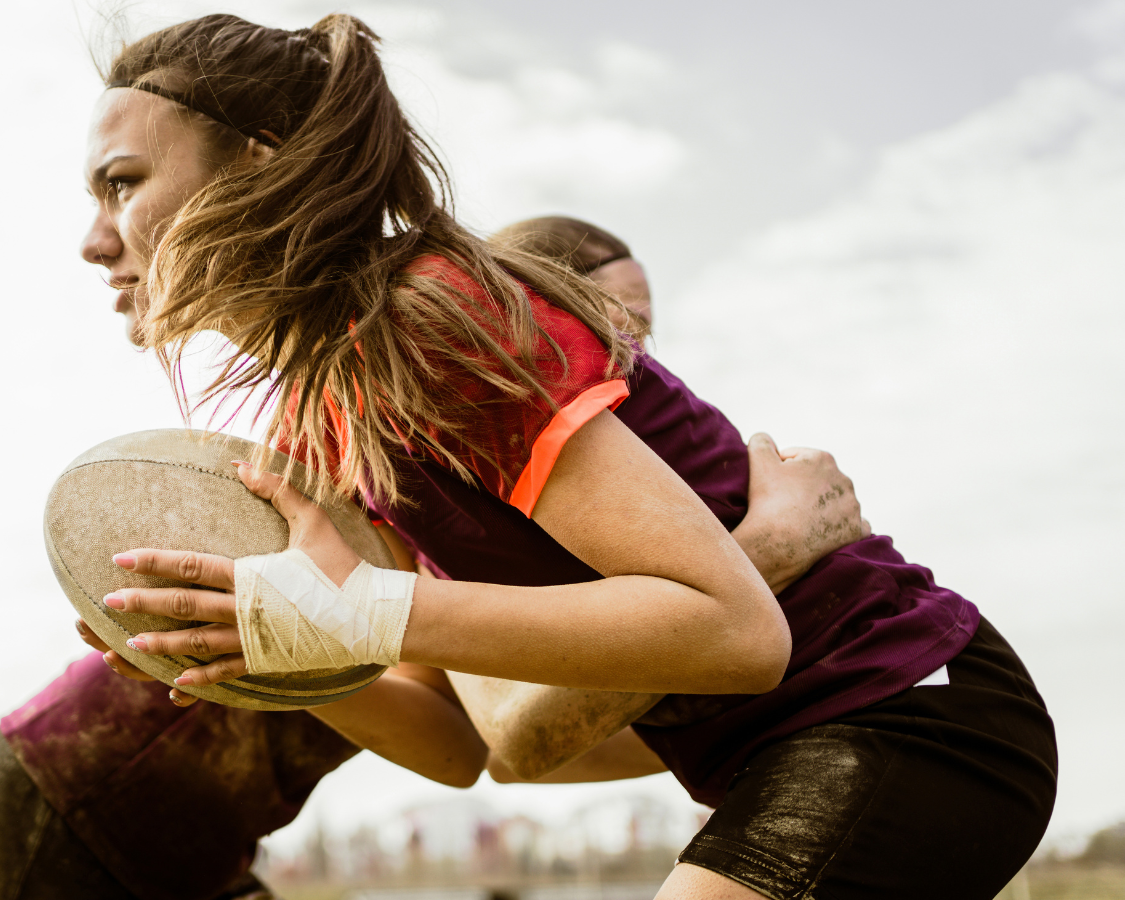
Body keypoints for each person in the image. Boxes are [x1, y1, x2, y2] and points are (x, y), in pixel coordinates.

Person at [61, 13, 1055, 900]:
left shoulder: (421, 319)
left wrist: (349, 613)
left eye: (124, 184)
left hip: (908, 708)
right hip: (792, 746)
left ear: (257, 164)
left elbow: (734, 632)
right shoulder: (330, 409)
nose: (95, 241)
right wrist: (262, 652)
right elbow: (461, 746)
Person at [0, 218, 866, 899]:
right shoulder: (408, 441)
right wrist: (766, 555)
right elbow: (526, 737)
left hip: (209, 828)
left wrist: (258, 651)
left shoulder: (533, 518)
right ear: (522, 318)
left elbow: (470, 749)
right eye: (612, 320)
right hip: (66, 792)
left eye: (644, 331)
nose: (632, 353)